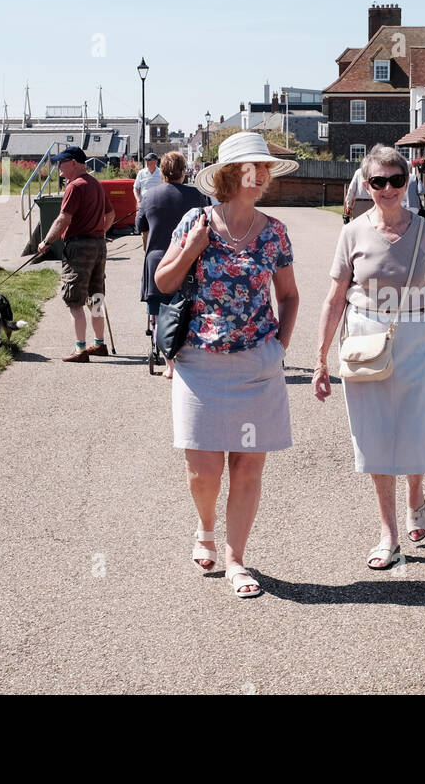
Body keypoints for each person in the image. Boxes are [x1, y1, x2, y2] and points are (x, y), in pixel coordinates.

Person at [153, 131, 301, 598]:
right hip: (199, 363)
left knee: (248, 469)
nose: (261, 175)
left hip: (257, 364)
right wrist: (193, 248)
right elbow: (162, 282)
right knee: (203, 472)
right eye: (251, 167)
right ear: (228, 174)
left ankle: (237, 560)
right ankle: (205, 526)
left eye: (265, 168)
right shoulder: (196, 222)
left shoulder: (274, 231)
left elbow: (290, 296)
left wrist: (279, 347)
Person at [312, 144, 425, 571]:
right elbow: (334, 298)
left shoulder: (424, 231)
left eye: (396, 180)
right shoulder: (352, 232)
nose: (387, 189)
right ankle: (388, 535)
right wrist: (320, 360)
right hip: (363, 339)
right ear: (366, 184)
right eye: (378, 182)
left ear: (407, 182)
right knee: (375, 434)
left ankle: (416, 494)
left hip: (414, 338)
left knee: (413, 429)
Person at [37, 147, 115, 363]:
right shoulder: (95, 184)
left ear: (73, 162)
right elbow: (110, 214)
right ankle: (99, 344)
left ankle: (80, 350)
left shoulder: (75, 186)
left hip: (79, 247)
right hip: (98, 245)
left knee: (75, 301)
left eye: (61, 163)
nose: (59, 169)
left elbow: (63, 219)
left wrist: (46, 242)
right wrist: (100, 232)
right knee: (96, 298)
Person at [137, 151, 209, 378]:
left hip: (157, 258)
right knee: (189, 307)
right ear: (183, 171)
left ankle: (170, 364)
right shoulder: (198, 195)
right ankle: (190, 357)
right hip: (190, 258)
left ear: (162, 170)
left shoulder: (149, 196)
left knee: (159, 312)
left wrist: (147, 247)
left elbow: (142, 226)